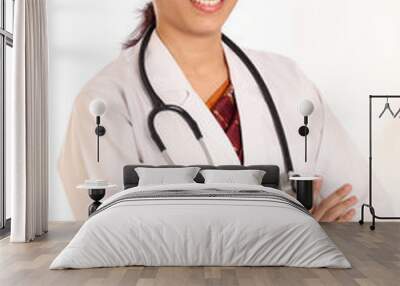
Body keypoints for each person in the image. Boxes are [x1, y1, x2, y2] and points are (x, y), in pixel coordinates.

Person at [59, 0, 372, 221]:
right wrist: (298, 236)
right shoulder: (105, 103)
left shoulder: (288, 81)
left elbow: (359, 207)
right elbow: (118, 244)